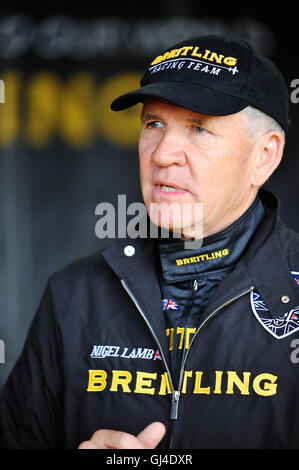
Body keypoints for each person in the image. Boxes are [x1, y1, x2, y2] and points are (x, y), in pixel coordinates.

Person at [1, 33, 299, 450]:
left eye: (199, 128)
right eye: (153, 124)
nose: (162, 154)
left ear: (264, 155)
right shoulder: (73, 295)